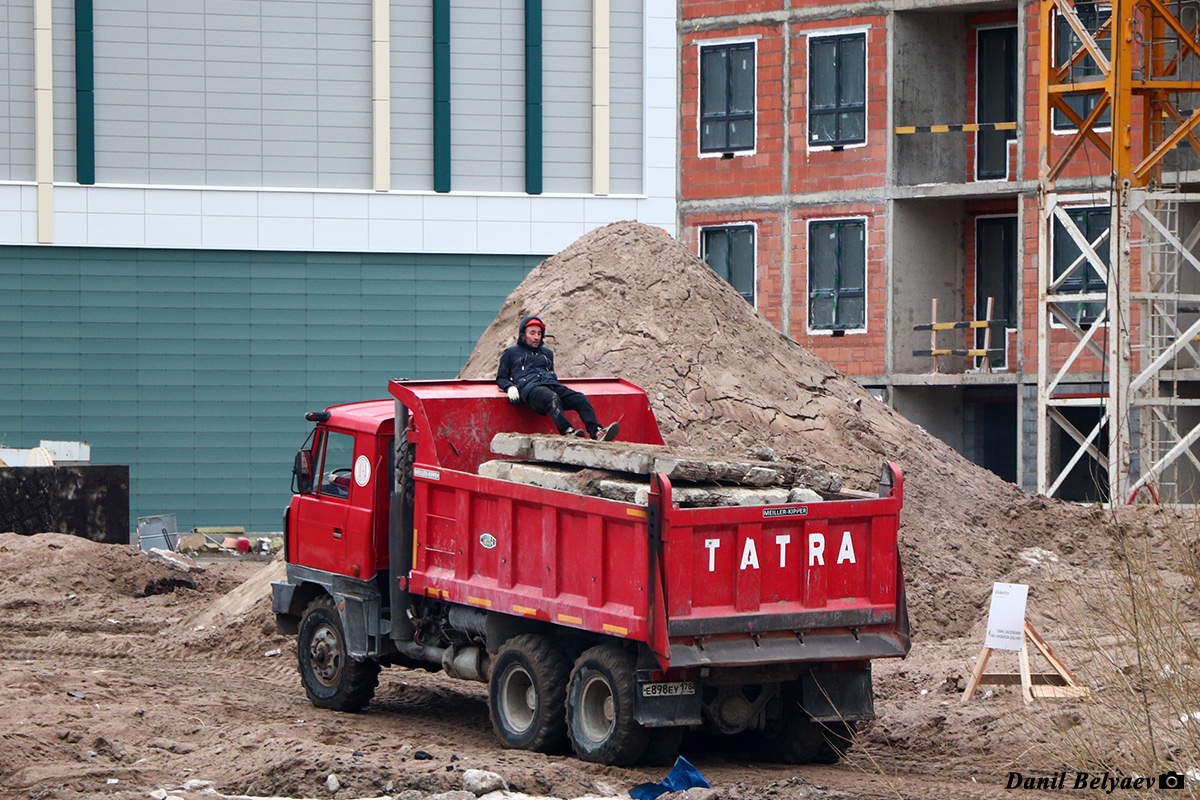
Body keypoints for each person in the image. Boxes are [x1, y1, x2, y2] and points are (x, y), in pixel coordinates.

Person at [496, 315, 619, 441]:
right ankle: (567, 432)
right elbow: (501, 377)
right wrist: (510, 387)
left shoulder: (547, 353)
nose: (536, 337)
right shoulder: (511, 353)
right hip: (531, 390)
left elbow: (551, 374)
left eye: (539, 333)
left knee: (580, 398)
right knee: (552, 398)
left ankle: (596, 432)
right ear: (523, 335)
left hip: (552, 385)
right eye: (532, 333)